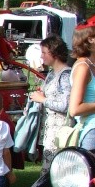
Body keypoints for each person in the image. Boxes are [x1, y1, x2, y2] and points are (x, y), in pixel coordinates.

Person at [28, 34, 72, 173]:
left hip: (60, 132)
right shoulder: (52, 74)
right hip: (50, 130)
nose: (41, 56)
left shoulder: (65, 76)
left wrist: (43, 100)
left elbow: (66, 105)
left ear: (55, 53)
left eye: (44, 53)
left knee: (56, 170)